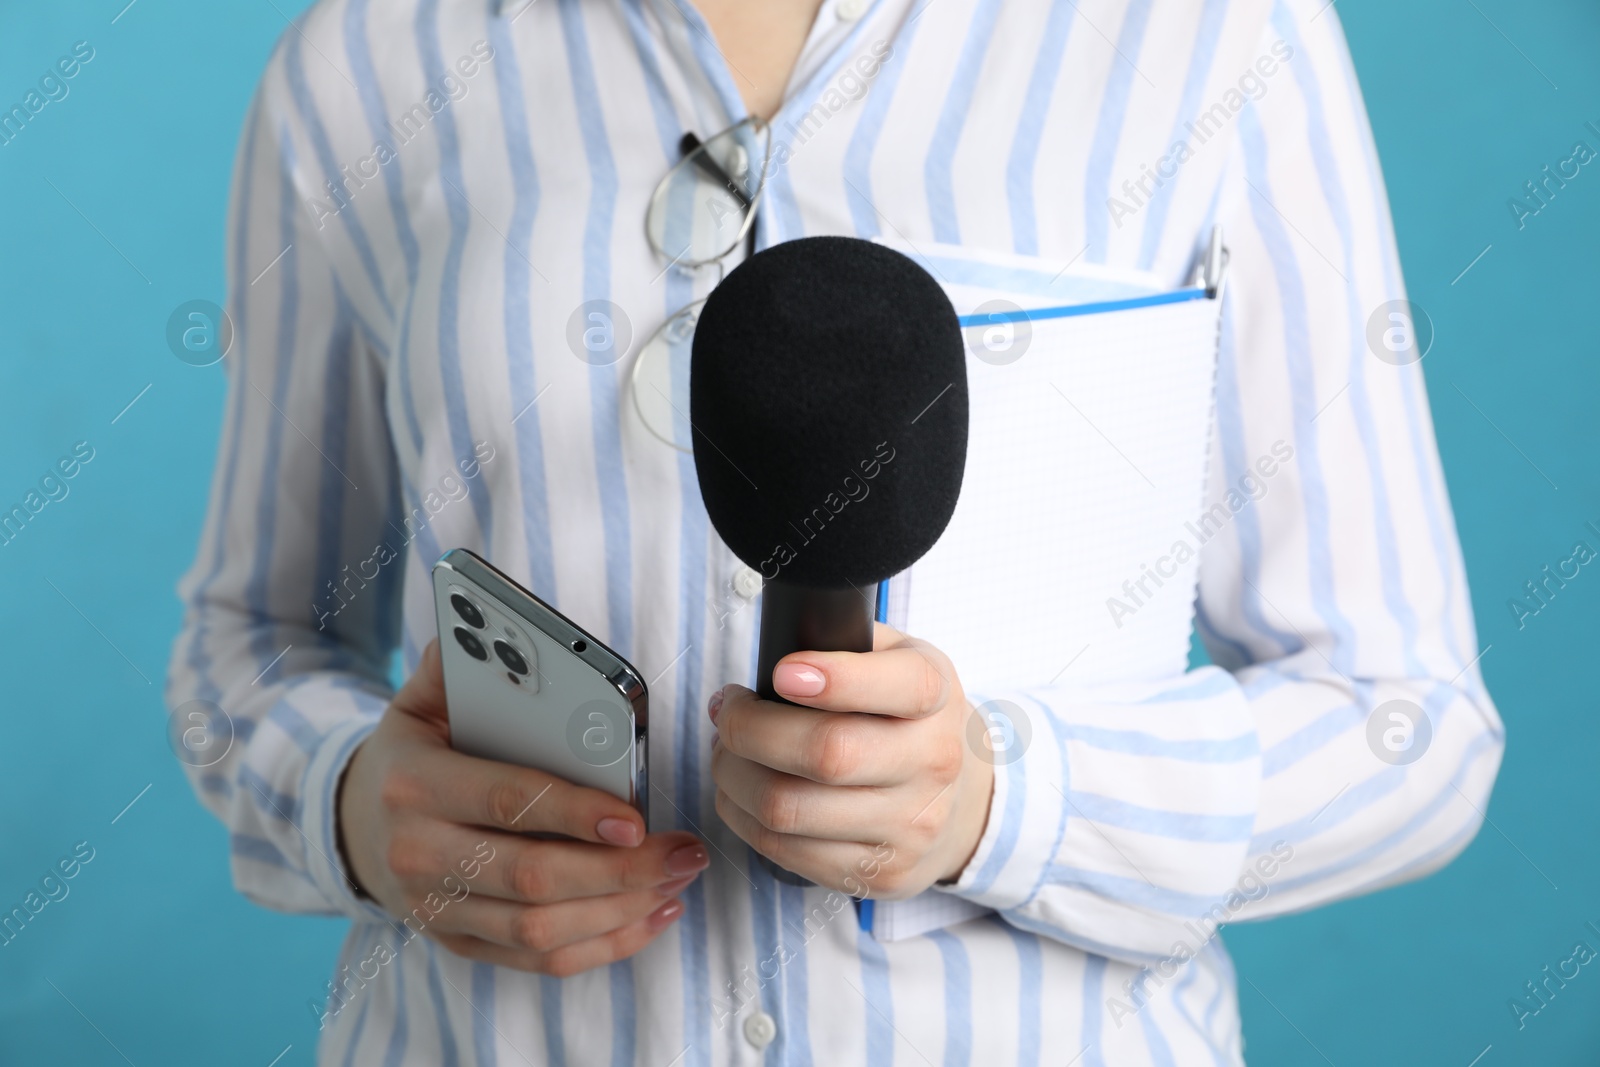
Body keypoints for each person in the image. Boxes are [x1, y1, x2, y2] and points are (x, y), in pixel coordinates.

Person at [167, 0, 1504, 1062]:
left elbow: (1411, 719)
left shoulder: (1212, 36)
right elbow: (251, 639)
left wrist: (1009, 804)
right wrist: (351, 801)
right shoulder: (359, 66)